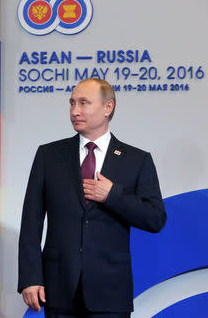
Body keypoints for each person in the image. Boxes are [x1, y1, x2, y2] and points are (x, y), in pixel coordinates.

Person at [17, 78, 167, 318]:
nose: (75, 111)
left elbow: (155, 218)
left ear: (108, 108)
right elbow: (30, 223)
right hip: (58, 289)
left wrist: (113, 195)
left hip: (110, 292)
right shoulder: (49, 155)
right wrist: (30, 278)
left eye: (84, 103)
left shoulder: (137, 159)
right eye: (72, 103)